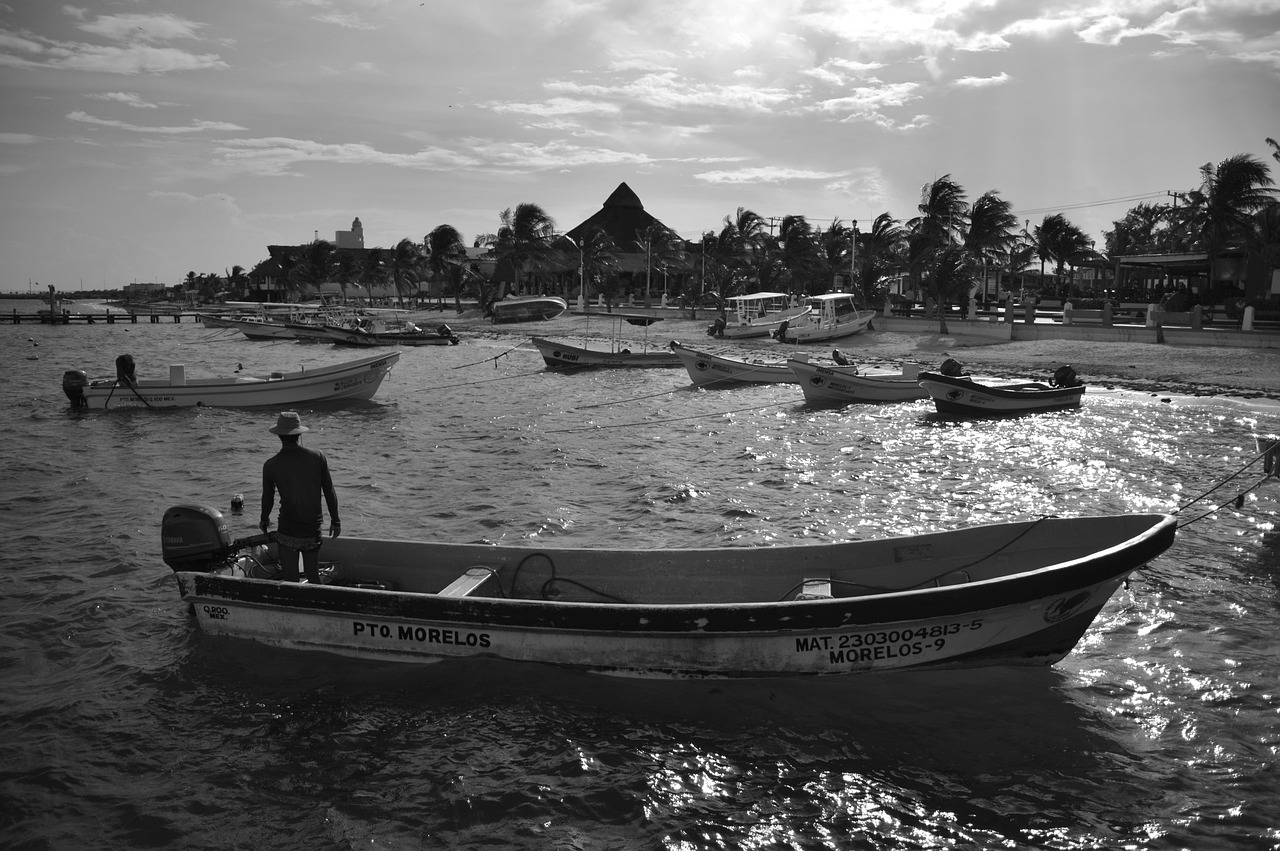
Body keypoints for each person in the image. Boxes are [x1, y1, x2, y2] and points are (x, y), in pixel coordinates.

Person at [259, 411, 340, 583]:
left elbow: (268, 497)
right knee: (313, 577)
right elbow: (329, 491)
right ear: (299, 433)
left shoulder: (271, 465)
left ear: (279, 435)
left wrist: (264, 519)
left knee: (290, 579)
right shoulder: (318, 457)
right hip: (312, 530)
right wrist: (336, 521)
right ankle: (316, 608)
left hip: (288, 530)